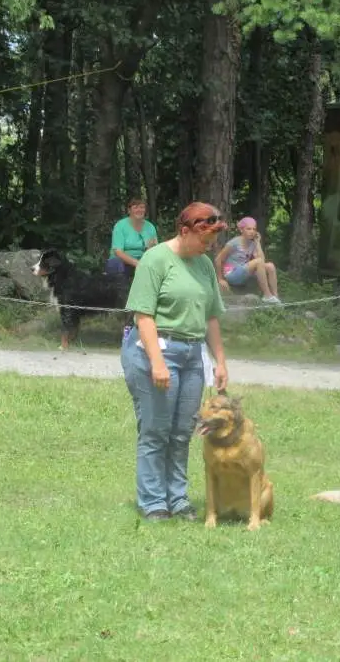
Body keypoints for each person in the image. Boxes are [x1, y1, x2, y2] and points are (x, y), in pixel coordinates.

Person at [120, 201, 229, 522]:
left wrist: (220, 361)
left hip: (192, 354)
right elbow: (143, 316)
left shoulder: (204, 265)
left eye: (212, 241)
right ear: (184, 231)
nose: (208, 247)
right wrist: (157, 363)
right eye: (205, 240)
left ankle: (177, 498)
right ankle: (153, 501)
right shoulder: (155, 260)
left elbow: (211, 316)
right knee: (156, 430)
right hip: (154, 350)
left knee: (183, 431)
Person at [214, 217, 281, 304]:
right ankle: (267, 295)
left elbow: (262, 260)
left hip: (243, 272)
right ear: (241, 230)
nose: (252, 231)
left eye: (254, 229)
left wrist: (257, 242)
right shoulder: (234, 243)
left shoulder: (252, 243)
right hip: (232, 274)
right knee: (258, 262)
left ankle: (276, 297)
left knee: (270, 266)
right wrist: (220, 279)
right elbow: (218, 259)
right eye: (248, 229)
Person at [106, 198, 158, 279]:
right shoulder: (120, 226)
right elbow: (118, 252)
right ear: (129, 210)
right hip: (122, 261)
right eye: (135, 207)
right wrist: (138, 263)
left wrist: (149, 250)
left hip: (143, 260)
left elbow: (153, 251)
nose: (139, 210)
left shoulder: (150, 227)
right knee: (115, 263)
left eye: (142, 207)